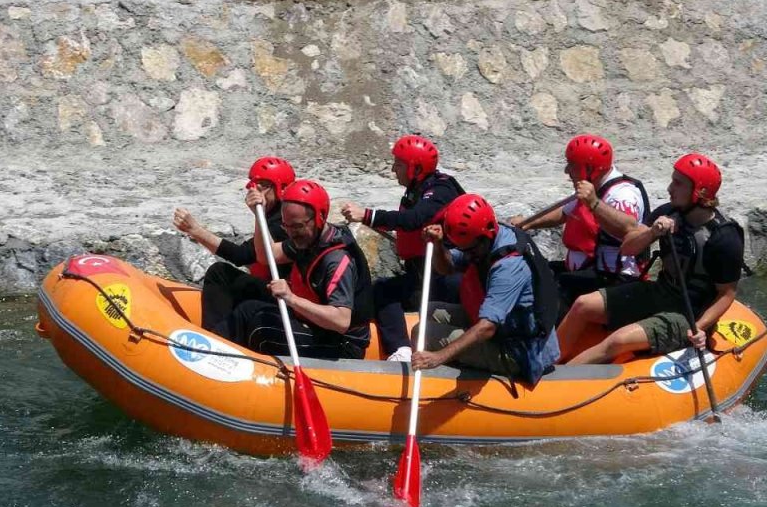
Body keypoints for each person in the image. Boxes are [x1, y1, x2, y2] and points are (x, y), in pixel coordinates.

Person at [557, 153, 745, 365]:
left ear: (700, 192)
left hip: (690, 312)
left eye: (678, 183)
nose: (669, 188)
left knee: (618, 341)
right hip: (661, 292)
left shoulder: (725, 237)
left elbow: (727, 294)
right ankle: (547, 365)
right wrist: (653, 232)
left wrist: (700, 328)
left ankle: (554, 386)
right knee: (583, 304)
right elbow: (627, 248)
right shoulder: (666, 212)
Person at [211, 180, 374, 359]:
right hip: (314, 325)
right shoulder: (309, 238)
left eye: (297, 226)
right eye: (286, 226)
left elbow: (341, 321)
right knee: (248, 309)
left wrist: (291, 298)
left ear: (319, 218)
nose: (291, 233)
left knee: (261, 327)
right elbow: (266, 255)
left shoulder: (337, 260)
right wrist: (260, 216)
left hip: (342, 343)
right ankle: (209, 348)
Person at [409, 194, 560, 385]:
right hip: (504, 330)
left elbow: (487, 328)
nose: (466, 255)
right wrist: (438, 245)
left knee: (423, 332)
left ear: (483, 239)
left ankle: (435, 387)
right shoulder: (486, 239)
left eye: (468, 251)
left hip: (519, 352)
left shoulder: (508, 267)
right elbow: (446, 268)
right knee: (430, 311)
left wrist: (438, 357)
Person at [339, 135, 465, 362]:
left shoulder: (441, 189)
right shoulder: (417, 188)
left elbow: (414, 219)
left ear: (415, 168)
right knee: (383, 289)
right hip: (420, 274)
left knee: (412, 296)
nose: (393, 169)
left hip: (446, 277)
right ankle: (401, 349)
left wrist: (367, 215)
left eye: (398, 164)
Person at [511, 135, 649, 317]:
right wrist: (528, 223)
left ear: (590, 168)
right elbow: (564, 213)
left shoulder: (623, 194)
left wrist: (594, 203)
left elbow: (629, 228)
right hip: (584, 271)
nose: (567, 170)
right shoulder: (592, 187)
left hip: (613, 277)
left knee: (551, 290)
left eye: (572, 165)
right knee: (535, 271)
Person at [173, 157, 296, 333]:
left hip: (285, 299)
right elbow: (243, 254)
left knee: (219, 273)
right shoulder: (274, 216)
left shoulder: (285, 222)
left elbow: (241, 255)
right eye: (253, 184)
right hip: (271, 289)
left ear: (281, 188)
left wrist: (196, 230)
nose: (255, 189)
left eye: (263, 184)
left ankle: (215, 337)